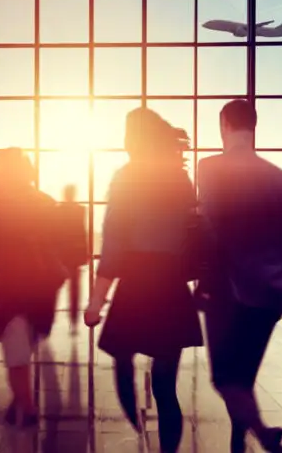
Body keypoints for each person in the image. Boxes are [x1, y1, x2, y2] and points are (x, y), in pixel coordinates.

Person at [197, 99, 282, 453]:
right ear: (254, 127)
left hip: (226, 289)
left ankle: (264, 437)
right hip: (271, 291)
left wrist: (203, 282)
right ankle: (242, 442)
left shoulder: (210, 168)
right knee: (243, 377)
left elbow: (211, 230)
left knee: (225, 379)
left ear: (224, 126)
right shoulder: (280, 179)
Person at [84, 108, 203, 453]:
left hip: (136, 285)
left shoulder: (127, 177)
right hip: (170, 287)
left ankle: (135, 422)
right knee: (166, 387)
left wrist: (96, 302)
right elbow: (192, 234)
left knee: (122, 360)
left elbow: (114, 243)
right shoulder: (179, 179)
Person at [0, 148, 67, 428]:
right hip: (43, 285)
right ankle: (20, 400)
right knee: (24, 344)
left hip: (11, 286)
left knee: (15, 351)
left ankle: (27, 407)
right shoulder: (45, 202)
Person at [57, 184, 88, 334]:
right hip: (74, 255)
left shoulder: (58, 210)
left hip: (62, 254)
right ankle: (74, 320)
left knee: (54, 286)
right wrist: (84, 254)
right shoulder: (80, 210)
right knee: (75, 290)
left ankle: (47, 319)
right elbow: (81, 233)